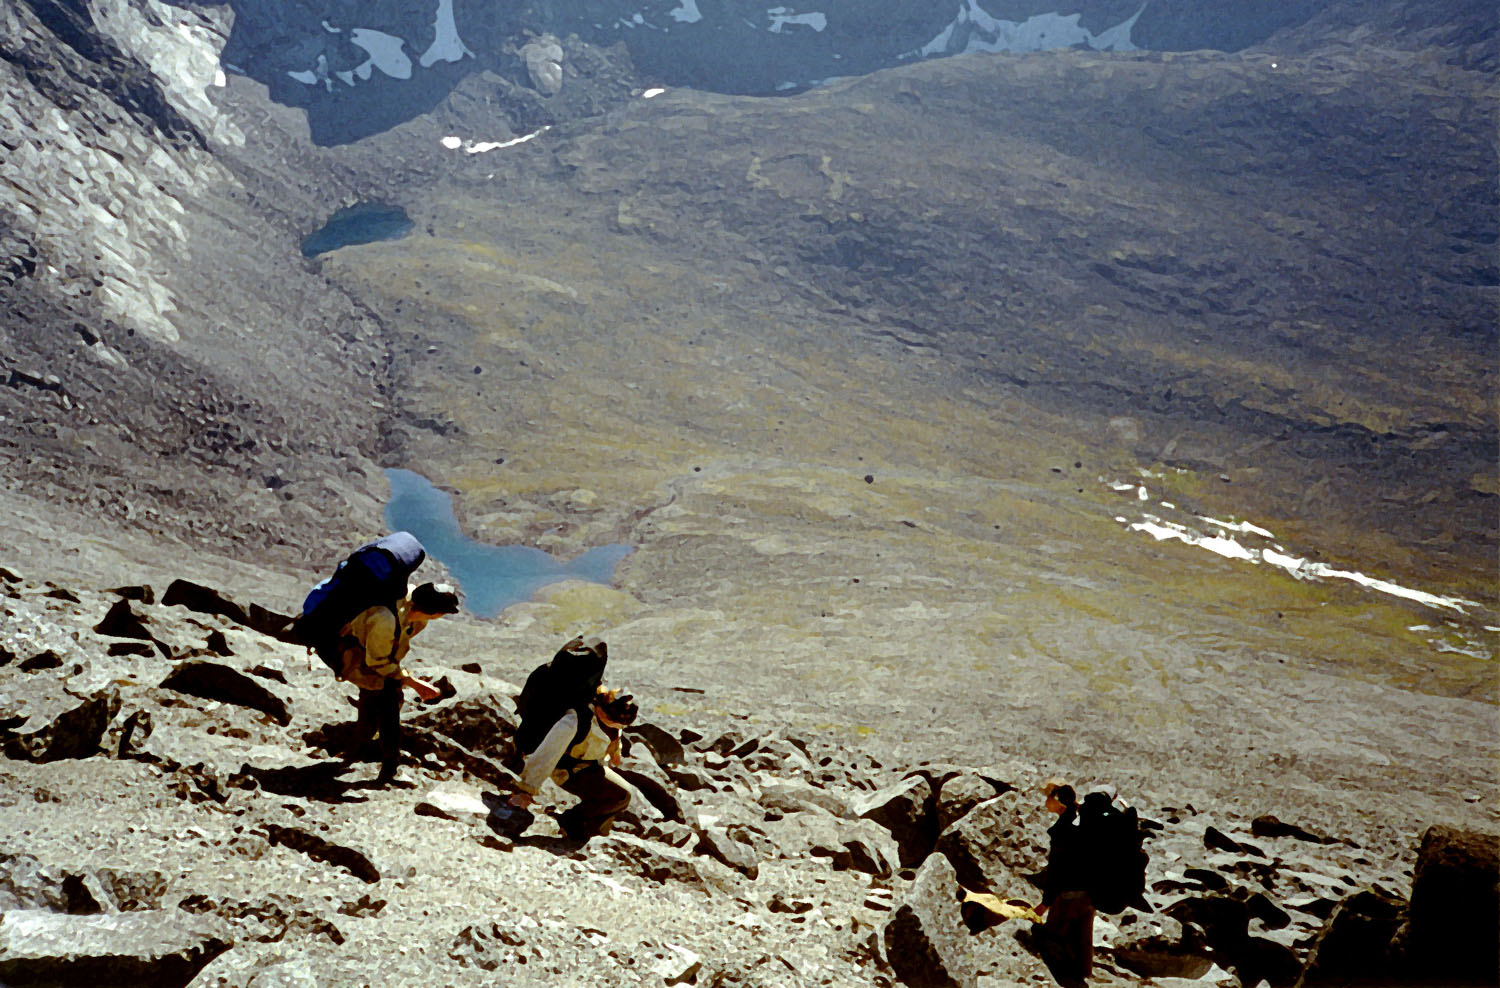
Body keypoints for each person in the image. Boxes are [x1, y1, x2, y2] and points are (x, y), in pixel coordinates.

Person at [339, 581, 459, 785]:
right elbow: (377, 661)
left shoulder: (412, 603)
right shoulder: (385, 620)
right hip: (361, 658)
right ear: (435, 613)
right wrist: (412, 682)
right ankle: (388, 766)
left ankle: (359, 747)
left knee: (375, 702)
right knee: (388, 706)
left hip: (377, 657)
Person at [508, 686, 638, 840]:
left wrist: (615, 751)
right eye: (613, 721)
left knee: (624, 795)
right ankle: (573, 822)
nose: (618, 725)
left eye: (622, 724)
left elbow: (613, 735)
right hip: (568, 771)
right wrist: (526, 791)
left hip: (591, 766)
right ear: (601, 708)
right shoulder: (575, 721)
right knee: (620, 796)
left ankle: (592, 833)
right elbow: (547, 754)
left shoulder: (613, 722)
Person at [1036, 780, 1095, 982]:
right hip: (1089, 891)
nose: (1045, 801)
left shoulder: (1062, 830)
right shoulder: (1084, 822)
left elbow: (1057, 869)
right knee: (1083, 937)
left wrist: (1046, 901)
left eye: (1048, 797)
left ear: (1058, 801)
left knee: (1054, 937)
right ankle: (1083, 974)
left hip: (1069, 892)